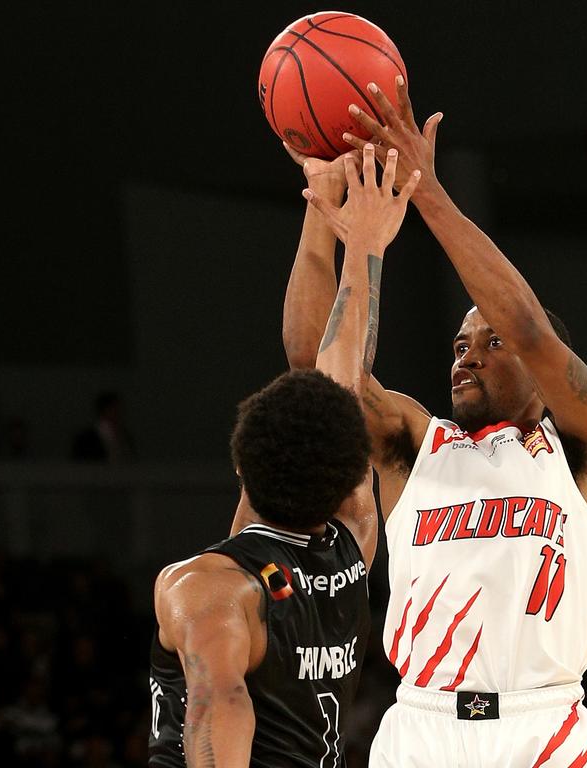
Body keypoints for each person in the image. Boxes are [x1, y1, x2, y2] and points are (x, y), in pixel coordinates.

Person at [288, 78, 587, 767]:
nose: (466, 357)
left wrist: (424, 191)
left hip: (545, 729)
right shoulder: (417, 445)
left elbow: (527, 325)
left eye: (488, 343)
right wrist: (335, 224)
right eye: (458, 346)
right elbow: (319, 371)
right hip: (423, 726)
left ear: (542, 369)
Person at [148, 145, 419, 768]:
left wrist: (339, 222)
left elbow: (220, 705)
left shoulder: (207, 588)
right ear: (353, 472)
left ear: (243, 467)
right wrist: (357, 238)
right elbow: (338, 374)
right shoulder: (357, 545)